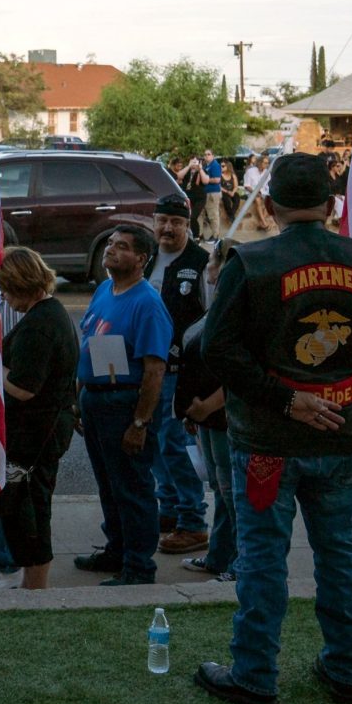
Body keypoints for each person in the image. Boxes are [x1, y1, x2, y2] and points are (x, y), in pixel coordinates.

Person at [197, 153, 352, 704]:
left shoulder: (253, 262)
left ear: (268, 206)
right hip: (344, 436)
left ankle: (255, 674)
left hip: (269, 440)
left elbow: (216, 348)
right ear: (333, 205)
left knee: (263, 557)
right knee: (339, 552)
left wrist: (288, 399)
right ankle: (347, 668)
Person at [0, 247, 78, 592]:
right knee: (29, 513)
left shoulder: (38, 327)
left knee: (31, 517)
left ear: (21, 284)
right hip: (43, 431)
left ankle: (35, 589)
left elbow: (23, 388)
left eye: (6, 289)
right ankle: (32, 583)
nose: (4, 296)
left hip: (35, 437)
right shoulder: (52, 313)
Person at [72, 224, 172, 586]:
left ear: (141, 259)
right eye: (110, 243)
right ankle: (116, 550)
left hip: (125, 403)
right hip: (96, 399)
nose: (111, 250)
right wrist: (79, 396)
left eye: (122, 247)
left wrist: (140, 423)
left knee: (132, 487)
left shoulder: (147, 303)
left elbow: (154, 370)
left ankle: (139, 566)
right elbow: (90, 343)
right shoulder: (104, 289)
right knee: (109, 484)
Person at [146, 194, 211, 555]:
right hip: (147, 368)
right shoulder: (147, 257)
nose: (168, 228)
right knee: (151, 440)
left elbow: (210, 318)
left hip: (180, 371)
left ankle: (193, 520)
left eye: (177, 222)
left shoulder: (200, 263)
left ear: (188, 225)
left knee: (175, 444)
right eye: (162, 220)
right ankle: (168, 507)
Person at [178, 242, 238, 582]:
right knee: (219, 488)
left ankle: (240, 562)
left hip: (223, 417)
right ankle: (219, 555)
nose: (207, 266)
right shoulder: (212, 307)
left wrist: (207, 405)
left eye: (212, 259)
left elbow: (239, 372)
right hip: (205, 419)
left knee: (233, 493)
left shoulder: (235, 310)